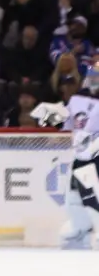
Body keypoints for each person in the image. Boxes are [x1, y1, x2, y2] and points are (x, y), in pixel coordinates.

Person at [30, 74, 99, 248]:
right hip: (82, 155)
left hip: (94, 154)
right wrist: (50, 117)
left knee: (91, 192)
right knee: (74, 194)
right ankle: (80, 227)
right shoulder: (77, 101)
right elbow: (67, 124)